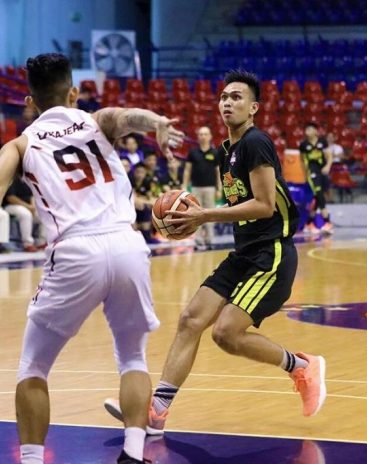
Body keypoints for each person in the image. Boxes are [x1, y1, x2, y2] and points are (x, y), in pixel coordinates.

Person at [0, 53, 183, 464]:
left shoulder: (20, 144)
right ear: (73, 92)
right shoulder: (96, 121)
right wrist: (158, 124)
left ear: (29, 101)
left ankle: (32, 459)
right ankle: (132, 451)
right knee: (132, 356)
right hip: (127, 243)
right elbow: (129, 117)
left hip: (76, 250)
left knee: (33, 366)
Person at [104, 70, 327, 435]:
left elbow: (265, 205)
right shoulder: (226, 152)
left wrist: (205, 215)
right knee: (191, 319)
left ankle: (300, 366)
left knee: (225, 334)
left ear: (253, 108)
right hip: (244, 253)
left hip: (270, 255)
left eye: (237, 97)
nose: (228, 102)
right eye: (224, 97)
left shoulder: (256, 142)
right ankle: (157, 412)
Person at [183, 126, 222, 250]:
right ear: (198, 137)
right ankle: (198, 241)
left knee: (210, 215)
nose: (203, 136)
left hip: (210, 189)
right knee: (195, 215)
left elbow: (218, 172)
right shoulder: (192, 152)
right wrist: (184, 185)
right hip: (195, 188)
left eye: (205, 134)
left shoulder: (215, 153)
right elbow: (187, 170)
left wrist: (219, 189)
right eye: (200, 134)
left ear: (210, 136)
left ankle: (210, 240)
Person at [299, 123, 333, 234]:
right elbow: (302, 162)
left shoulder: (322, 142)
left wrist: (328, 166)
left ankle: (309, 223)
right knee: (319, 194)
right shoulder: (303, 145)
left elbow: (329, 156)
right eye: (306, 129)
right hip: (312, 173)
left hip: (322, 172)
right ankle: (327, 221)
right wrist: (305, 176)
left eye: (310, 128)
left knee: (318, 197)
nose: (307, 131)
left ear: (315, 131)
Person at [4, 177, 46, 252]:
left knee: (43, 214)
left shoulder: (27, 180)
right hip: (10, 206)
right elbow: (11, 198)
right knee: (25, 214)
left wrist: (33, 207)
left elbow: (31, 195)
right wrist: (28, 207)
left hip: (27, 206)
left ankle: (41, 242)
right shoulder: (11, 179)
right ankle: (27, 244)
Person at [130, 162, 157, 243]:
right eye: (138, 172)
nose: (140, 175)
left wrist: (142, 200)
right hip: (131, 208)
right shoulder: (130, 181)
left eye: (142, 172)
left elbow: (151, 198)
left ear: (145, 173)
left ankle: (148, 238)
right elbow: (131, 198)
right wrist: (139, 200)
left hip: (144, 208)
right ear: (134, 172)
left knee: (147, 207)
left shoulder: (148, 182)